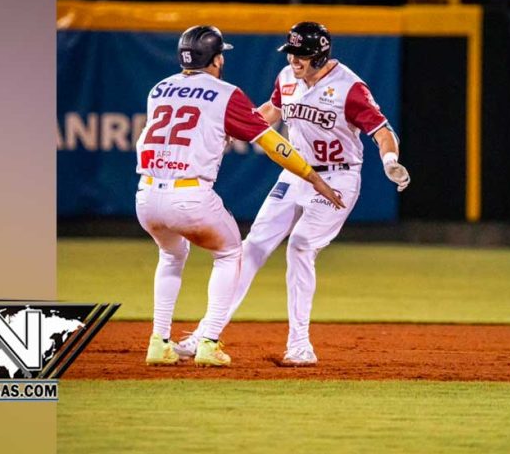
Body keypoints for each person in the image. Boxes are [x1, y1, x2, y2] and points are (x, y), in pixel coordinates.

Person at [176, 22, 410, 365]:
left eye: (301, 54)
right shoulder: (287, 77)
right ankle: (204, 334)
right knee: (251, 247)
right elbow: (271, 112)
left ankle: (300, 345)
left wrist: (390, 160)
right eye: (291, 53)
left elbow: (382, 130)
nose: (293, 60)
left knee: (300, 246)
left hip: (337, 178)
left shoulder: (349, 87)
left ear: (320, 55)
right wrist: (231, 128)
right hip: (296, 173)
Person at [137, 25, 344, 368]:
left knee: (171, 255)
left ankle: (159, 342)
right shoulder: (225, 93)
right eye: (221, 55)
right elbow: (273, 144)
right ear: (216, 59)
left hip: (146, 195)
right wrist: (312, 176)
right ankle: (208, 341)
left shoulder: (158, 89)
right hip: (189, 195)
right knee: (231, 252)